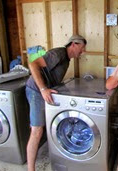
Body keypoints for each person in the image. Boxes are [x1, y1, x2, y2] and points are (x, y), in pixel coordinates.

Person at [25, 35, 87, 171]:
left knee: (43, 129)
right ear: (74, 44)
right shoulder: (58, 53)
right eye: (81, 49)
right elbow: (33, 63)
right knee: (36, 131)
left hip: (43, 91)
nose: (82, 52)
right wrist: (43, 89)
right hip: (36, 90)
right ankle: (31, 169)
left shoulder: (66, 60)